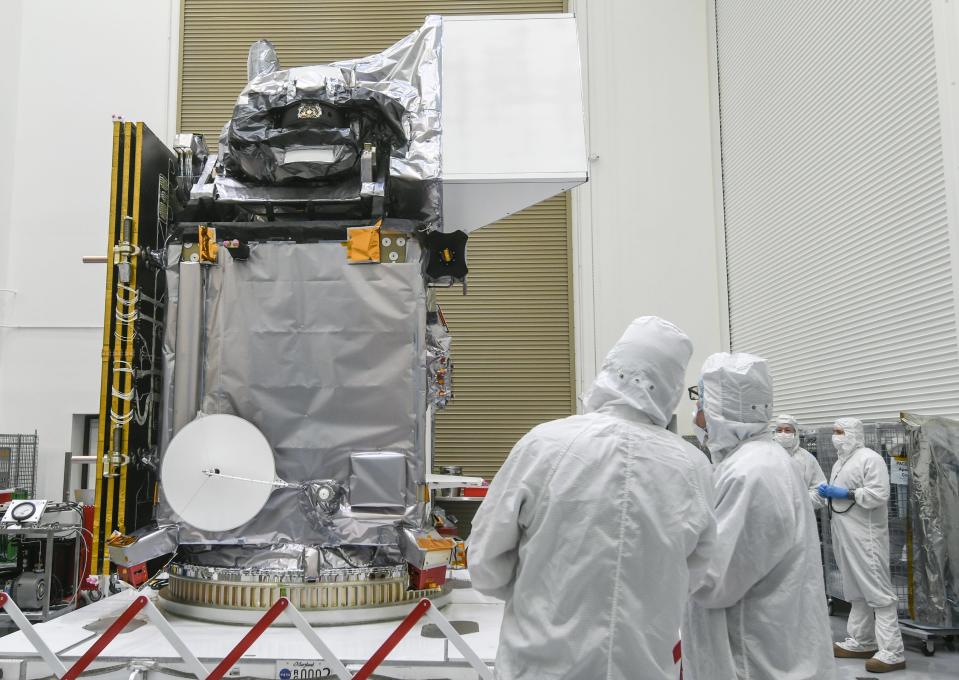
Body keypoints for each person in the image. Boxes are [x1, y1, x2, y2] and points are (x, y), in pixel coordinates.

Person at [468, 316, 717, 680]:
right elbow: (695, 573)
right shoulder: (693, 467)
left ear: (610, 368)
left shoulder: (545, 444)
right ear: (672, 387)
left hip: (539, 668)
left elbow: (485, 565)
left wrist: (539, 591)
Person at [683, 353, 835, 680]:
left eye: (702, 402)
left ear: (722, 410)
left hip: (754, 662)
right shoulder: (759, 461)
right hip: (770, 653)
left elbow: (712, 583)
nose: (697, 416)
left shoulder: (750, 474)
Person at [819, 417, 906, 673]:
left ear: (854, 433)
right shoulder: (839, 462)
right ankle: (862, 641)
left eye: (840, 431)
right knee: (855, 591)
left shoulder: (870, 458)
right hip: (844, 534)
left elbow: (879, 495)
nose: (836, 436)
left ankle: (892, 652)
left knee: (878, 593)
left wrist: (845, 494)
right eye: (834, 431)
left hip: (866, 537)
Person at [773, 414, 826, 508]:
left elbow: (819, 492)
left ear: (795, 432)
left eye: (787, 430)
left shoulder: (807, 458)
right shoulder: (767, 456)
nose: (783, 433)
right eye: (779, 430)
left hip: (800, 517)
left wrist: (797, 502)